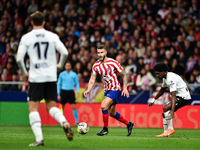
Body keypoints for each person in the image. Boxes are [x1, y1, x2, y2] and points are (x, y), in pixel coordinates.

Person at [16, 11, 73, 147]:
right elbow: (65, 52)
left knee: (33, 108)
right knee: (51, 106)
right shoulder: (52, 36)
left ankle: (39, 139)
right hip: (51, 76)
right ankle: (64, 122)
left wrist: (24, 73)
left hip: (36, 77)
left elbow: (19, 58)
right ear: (44, 22)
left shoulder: (26, 38)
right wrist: (59, 65)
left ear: (31, 22)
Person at [84, 45, 134, 136]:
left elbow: (123, 75)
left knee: (103, 106)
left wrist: (125, 87)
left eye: (101, 52)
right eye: (98, 53)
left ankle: (105, 129)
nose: (100, 54)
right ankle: (129, 124)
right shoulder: (96, 65)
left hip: (115, 88)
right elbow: (92, 79)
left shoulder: (113, 62)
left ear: (106, 52)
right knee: (112, 113)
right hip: (106, 90)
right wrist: (88, 90)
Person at [149, 62, 191, 137]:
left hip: (184, 97)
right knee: (164, 113)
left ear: (163, 72)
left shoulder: (170, 78)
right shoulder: (165, 78)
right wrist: (153, 99)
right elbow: (162, 90)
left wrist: (172, 110)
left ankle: (171, 129)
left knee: (166, 108)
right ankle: (166, 132)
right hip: (179, 96)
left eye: (158, 73)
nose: (157, 75)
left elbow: (173, 95)